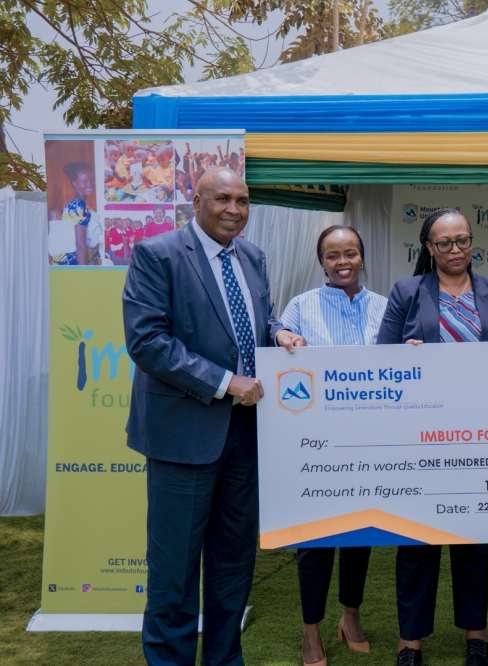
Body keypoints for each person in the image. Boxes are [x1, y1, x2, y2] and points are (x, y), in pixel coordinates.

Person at [123, 167, 306, 666]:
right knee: (174, 574)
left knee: (232, 568)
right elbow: (147, 341)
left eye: (242, 201)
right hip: (183, 437)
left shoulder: (252, 256)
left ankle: (226, 659)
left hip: (246, 436)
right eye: (222, 198)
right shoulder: (157, 255)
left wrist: (280, 333)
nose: (234, 209)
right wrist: (226, 383)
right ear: (196, 200)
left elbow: (251, 322)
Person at [377, 208, 488, 666]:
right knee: (415, 542)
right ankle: (410, 641)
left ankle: (476, 635)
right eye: (445, 243)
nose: (456, 250)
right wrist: (406, 355)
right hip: (420, 436)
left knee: (473, 541)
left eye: (463, 240)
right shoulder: (407, 291)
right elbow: (381, 358)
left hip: (481, 434)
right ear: (429, 248)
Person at [280, 225, 387, 666]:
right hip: (315, 447)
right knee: (316, 542)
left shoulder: (385, 307)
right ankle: (311, 632)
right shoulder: (300, 308)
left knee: (359, 535)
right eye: (333, 255)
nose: (342, 262)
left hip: (368, 443)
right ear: (321, 261)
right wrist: (281, 336)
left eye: (350, 253)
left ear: (362, 257)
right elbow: (279, 345)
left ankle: (351, 616)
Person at [58, 161, 102, 265]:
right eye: (84, 181)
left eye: (92, 179)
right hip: (77, 263)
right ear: (74, 183)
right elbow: (80, 244)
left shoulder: (73, 202)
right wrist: (84, 275)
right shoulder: (78, 204)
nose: (90, 184)